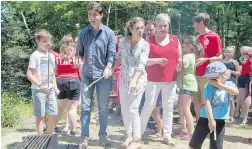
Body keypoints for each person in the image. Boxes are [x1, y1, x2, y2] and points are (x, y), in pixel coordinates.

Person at [76, 2, 116, 148]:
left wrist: (109, 67)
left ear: (101, 15)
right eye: (89, 15)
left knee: (103, 107)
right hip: (87, 75)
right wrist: (79, 61)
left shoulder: (109, 33)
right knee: (85, 107)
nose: (92, 18)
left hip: (103, 76)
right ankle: (84, 137)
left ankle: (102, 135)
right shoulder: (83, 33)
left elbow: (112, 55)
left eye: (95, 15)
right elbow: (79, 53)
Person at [140, 13, 182, 146]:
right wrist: (157, 60)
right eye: (160, 26)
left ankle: (167, 135)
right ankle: (138, 133)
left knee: (169, 107)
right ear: (156, 26)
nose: (163, 28)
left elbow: (179, 57)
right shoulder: (149, 41)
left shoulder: (175, 39)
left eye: (165, 25)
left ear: (168, 25)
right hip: (152, 80)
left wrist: (181, 63)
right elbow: (143, 61)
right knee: (149, 105)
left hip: (171, 79)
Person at [113, 17, 150, 149]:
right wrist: (111, 69)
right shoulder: (123, 42)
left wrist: (134, 81)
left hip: (138, 81)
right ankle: (128, 135)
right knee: (124, 108)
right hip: (123, 80)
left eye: (142, 28)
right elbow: (118, 59)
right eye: (137, 28)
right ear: (130, 29)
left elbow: (141, 66)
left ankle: (137, 139)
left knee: (133, 108)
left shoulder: (145, 45)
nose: (140, 31)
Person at [189, 61, 239, 149]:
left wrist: (219, 85)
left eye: (214, 78)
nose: (210, 80)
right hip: (205, 118)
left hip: (220, 120)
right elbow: (207, 103)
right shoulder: (209, 86)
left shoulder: (229, 84)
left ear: (223, 75)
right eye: (209, 77)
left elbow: (235, 92)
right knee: (194, 144)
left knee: (216, 146)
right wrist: (211, 120)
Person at [26, 29, 58, 135]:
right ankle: (40, 139)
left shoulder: (52, 56)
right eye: (44, 41)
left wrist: (56, 87)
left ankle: (48, 135)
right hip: (38, 89)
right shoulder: (35, 55)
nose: (47, 43)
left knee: (54, 113)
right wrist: (40, 85)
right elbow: (29, 74)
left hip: (51, 89)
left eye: (48, 41)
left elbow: (53, 73)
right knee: (40, 115)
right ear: (37, 41)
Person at [193, 13, 223, 120]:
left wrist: (206, 60)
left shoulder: (214, 36)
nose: (193, 25)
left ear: (201, 22)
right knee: (196, 101)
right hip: (195, 73)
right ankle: (198, 123)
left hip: (208, 74)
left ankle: (208, 123)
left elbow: (220, 56)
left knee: (206, 100)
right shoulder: (196, 38)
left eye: (194, 23)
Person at [54, 34, 81, 136]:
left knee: (60, 108)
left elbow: (55, 71)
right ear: (72, 43)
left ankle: (52, 128)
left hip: (59, 81)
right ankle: (73, 130)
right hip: (73, 81)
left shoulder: (58, 56)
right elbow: (80, 69)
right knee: (72, 108)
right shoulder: (76, 54)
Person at [176, 36, 199, 140]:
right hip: (187, 83)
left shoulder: (187, 56)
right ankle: (184, 129)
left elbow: (180, 70)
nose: (182, 45)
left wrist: (177, 67)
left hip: (186, 83)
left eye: (184, 43)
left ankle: (191, 133)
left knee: (185, 108)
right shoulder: (192, 56)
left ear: (189, 45)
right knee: (180, 106)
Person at [222, 46, 240, 122]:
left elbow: (238, 73)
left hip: (231, 82)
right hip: (223, 82)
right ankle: (223, 115)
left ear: (233, 53)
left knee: (231, 99)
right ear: (224, 53)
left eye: (230, 52)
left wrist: (231, 71)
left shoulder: (235, 62)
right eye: (226, 52)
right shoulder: (221, 61)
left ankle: (231, 116)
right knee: (222, 98)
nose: (228, 53)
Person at [239, 46, 252, 126]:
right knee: (245, 97)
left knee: (246, 97)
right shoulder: (244, 58)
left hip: (248, 76)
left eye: (245, 51)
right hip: (246, 77)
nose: (244, 53)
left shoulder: (249, 57)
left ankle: (243, 117)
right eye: (243, 51)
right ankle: (243, 116)